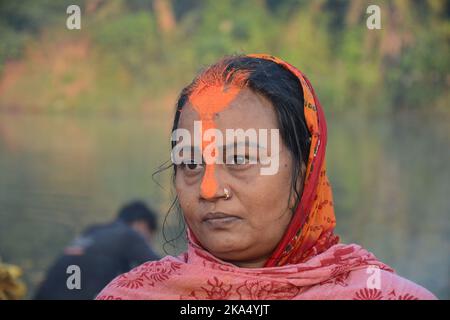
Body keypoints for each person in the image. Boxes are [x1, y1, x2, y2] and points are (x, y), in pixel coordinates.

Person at [97, 54, 436, 300]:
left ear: (306, 170)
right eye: (190, 163)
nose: (208, 189)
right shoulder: (131, 295)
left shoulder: (384, 295)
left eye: (241, 158)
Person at [35, 201, 159, 300]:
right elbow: (166, 269)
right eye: (149, 236)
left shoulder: (92, 231)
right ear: (140, 224)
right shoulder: (129, 234)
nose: (148, 243)